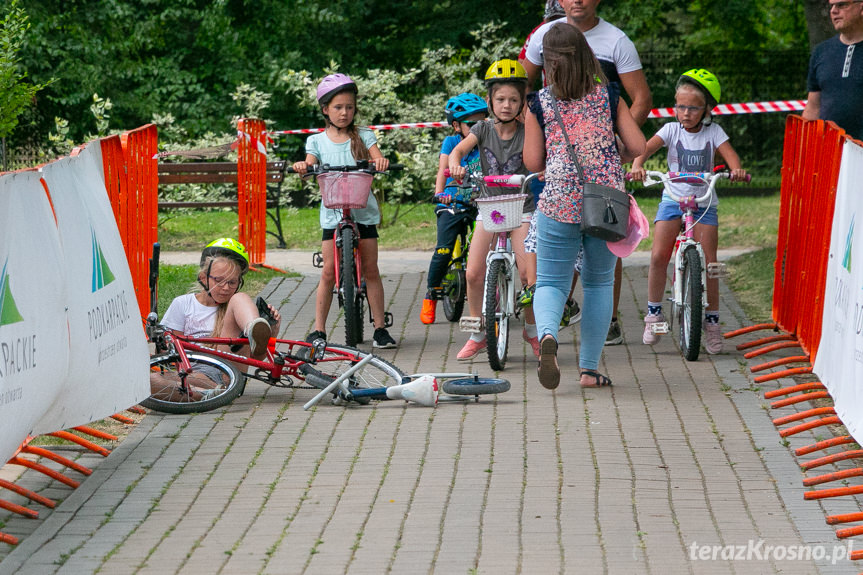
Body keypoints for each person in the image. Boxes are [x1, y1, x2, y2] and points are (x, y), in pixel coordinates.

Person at [521, 0, 653, 346]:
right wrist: (613, 151)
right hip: (605, 202)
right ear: (586, 56)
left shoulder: (539, 104)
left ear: (549, 63)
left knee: (550, 281)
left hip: (558, 203)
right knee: (598, 283)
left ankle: (548, 333)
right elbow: (638, 146)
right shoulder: (609, 97)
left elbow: (533, 163)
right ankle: (589, 368)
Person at [628, 69, 746, 355]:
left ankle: (713, 324)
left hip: (704, 201)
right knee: (658, 256)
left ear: (707, 109)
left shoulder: (714, 132)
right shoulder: (670, 130)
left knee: (710, 264)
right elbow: (644, 148)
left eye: (693, 107)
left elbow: (731, 156)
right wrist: (636, 165)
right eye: (680, 106)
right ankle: (654, 315)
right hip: (673, 198)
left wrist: (736, 170)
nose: (686, 113)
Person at [292, 73, 397, 349]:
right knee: (328, 272)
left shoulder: (364, 135)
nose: (344, 112)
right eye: (338, 107)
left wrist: (381, 162)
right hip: (332, 213)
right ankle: (319, 330)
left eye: (349, 107)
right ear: (325, 109)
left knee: (371, 269)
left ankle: (379, 328)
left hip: (362, 211)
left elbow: (377, 158)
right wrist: (304, 167)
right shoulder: (316, 141)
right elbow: (309, 162)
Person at [448, 59, 539, 360]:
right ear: (490, 101)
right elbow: (460, 149)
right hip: (490, 208)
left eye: (514, 99)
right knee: (473, 273)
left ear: (523, 102)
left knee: (528, 275)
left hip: (521, 209)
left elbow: (545, 156)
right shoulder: (482, 128)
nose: (506, 105)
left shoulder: (530, 130)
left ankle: (532, 329)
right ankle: (477, 332)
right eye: (500, 99)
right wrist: (455, 163)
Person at [152, 238, 281, 401]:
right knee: (150, 381)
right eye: (219, 281)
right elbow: (168, 355)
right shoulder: (183, 304)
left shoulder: (238, 307)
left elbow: (254, 360)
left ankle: (253, 327)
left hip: (227, 371)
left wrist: (270, 334)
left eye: (232, 282)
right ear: (203, 278)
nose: (226, 288)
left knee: (239, 298)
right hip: (192, 372)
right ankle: (209, 394)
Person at [420, 93, 488, 324]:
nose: (479, 127)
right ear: (456, 125)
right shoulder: (451, 143)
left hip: (480, 201)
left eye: (483, 121)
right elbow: (443, 169)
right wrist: (440, 194)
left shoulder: (487, 142)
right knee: (443, 251)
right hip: (453, 201)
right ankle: (431, 293)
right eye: (472, 123)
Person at [802, 0, 863, 140]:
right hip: (829, 151)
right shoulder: (821, 52)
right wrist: (803, 147)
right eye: (831, 6)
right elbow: (813, 107)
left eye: (842, 5)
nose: (833, 11)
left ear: (861, 7)